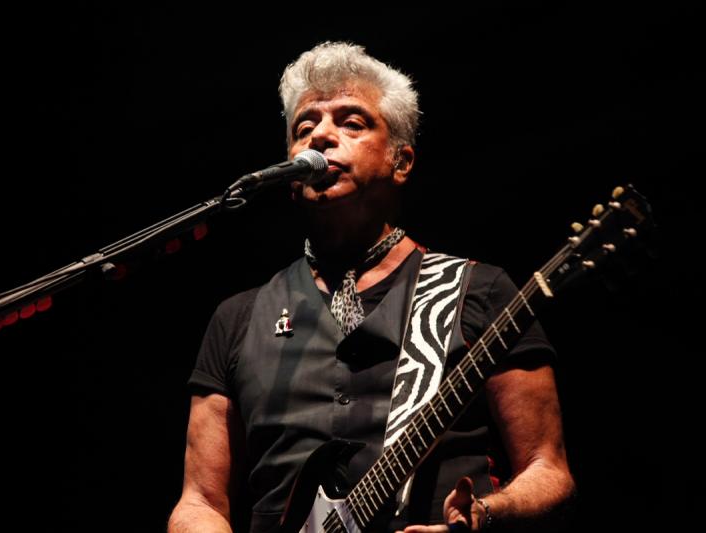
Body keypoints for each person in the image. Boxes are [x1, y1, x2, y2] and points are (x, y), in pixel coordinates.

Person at [168, 42, 575, 533]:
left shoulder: (479, 290)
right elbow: (199, 502)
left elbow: (547, 469)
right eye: (304, 128)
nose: (321, 136)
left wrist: (487, 513)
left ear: (401, 162)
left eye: (352, 122)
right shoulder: (238, 318)